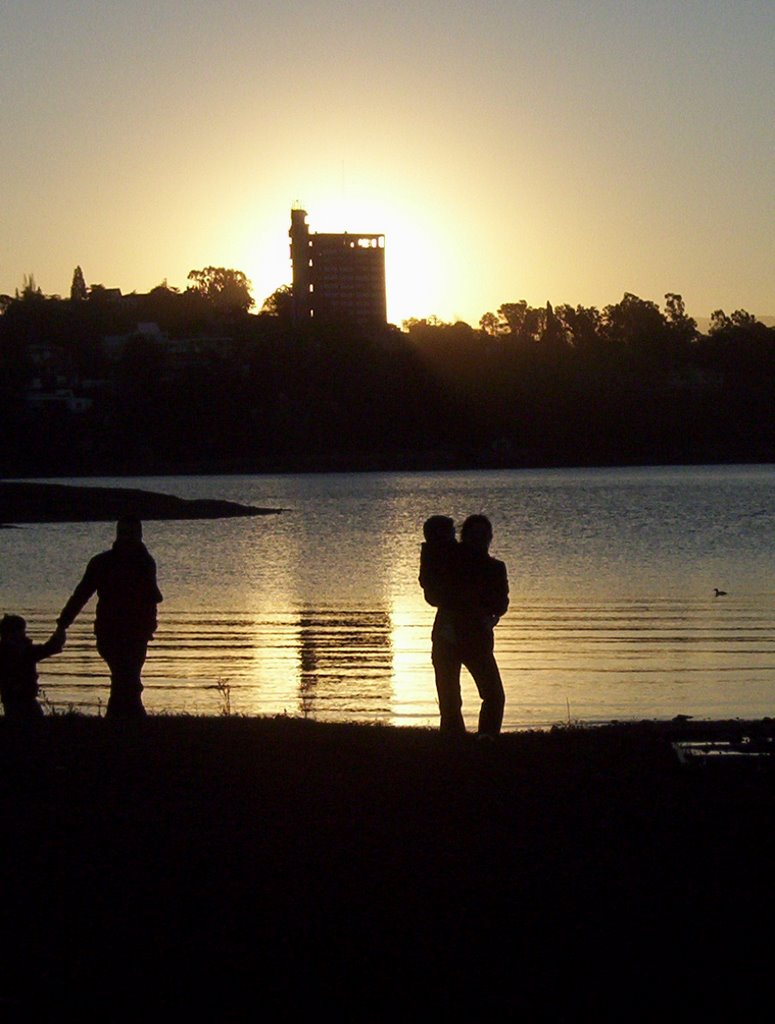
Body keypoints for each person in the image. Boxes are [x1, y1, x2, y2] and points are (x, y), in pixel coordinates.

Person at [57, 516, 162, 721]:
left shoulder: (145, 562)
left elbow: (151, 598)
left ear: (139, 535)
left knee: (126, 677)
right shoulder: (102, 562)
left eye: (132, 534)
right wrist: (63, 623)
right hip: (111, 630)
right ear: (118, 535)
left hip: (136, 631)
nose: (128, 538)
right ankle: (129, 721)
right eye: (124, 533)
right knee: (126, 676)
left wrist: (149, 627)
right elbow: (82, 594)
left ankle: (121, 722)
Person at [420, 514, 508, 738]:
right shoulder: (449, 560)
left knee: (493, 695)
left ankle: (486, 738)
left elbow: (501, 602)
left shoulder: (495, 568)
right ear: (464, 537)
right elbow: (431, 588)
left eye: (483, 535)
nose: (480, 539)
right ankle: (453, 741)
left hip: (476, 639)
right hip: (446, 637)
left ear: (489, 537)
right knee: (450, 699)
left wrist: (485, 608)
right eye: (474, 535)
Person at [0, 614, 65, 722]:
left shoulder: (18, 650)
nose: (24, 634)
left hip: (13, 699)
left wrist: (59, 633)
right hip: (22, 699)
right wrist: (60, 631)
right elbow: (50, 648)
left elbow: (50, 648)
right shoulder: (24, 651)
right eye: (21, 631)